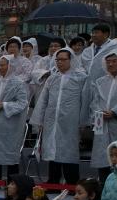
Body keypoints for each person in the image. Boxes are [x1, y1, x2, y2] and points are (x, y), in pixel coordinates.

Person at [32, 48, 92, 185]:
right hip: (52, 120)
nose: (60, 62)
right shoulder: (53, 78)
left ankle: (72, 183)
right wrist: (40, 120)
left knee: (69, 151)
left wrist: (83, 122)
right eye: (57, 60)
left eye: (63, 59)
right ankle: (53, 181)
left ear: (71, 60)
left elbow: (85, 100)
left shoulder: (81, 78)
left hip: (71, 121)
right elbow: (43, 100)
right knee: (52, 150)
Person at [0, 57, 30, 181]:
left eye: (4, 65)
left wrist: (4, 105)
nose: (1, 68)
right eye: (0, 65)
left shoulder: (18, 83)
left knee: (10, 155)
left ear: (11, 66)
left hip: (10, 126)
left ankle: (13, 182)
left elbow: (22, 103)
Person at [91, 52, 117, 182]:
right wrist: (99, 112)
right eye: (108, 61)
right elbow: (94, 102)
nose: (111, 64)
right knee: (103, 158)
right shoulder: (100, 81)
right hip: (102, 124)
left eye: (114, 61)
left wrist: (115, 112)